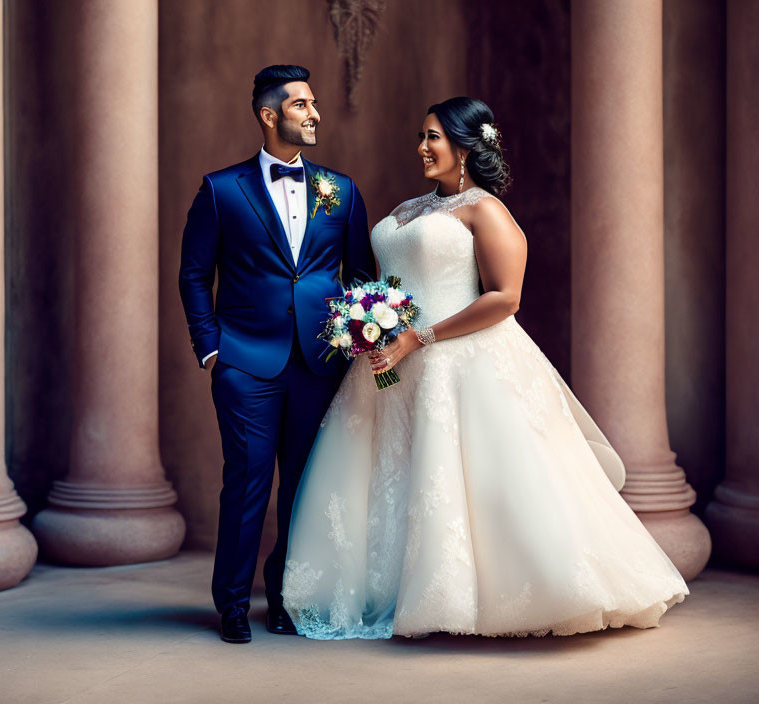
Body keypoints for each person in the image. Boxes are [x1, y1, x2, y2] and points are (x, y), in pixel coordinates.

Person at [281, 97, 688, 639]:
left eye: (434, 138)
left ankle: (471, 598)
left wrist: (418, 338)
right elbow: (391, 281)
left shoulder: (486, 210)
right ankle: (390, 592)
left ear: (465, 148)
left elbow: (505, 297)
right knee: (389, 478)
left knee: (470, 479)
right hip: (390, 366)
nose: (422, 147)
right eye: (422, 136)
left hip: (455, 360)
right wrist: (369, 326)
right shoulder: (413, 208)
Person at [179, 65, 376, 644]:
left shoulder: (341, 189)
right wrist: (211, 350)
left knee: (304, 485)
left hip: (319, 362)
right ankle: (233, 604)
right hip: (244, 362)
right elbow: (194, 274)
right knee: (247, 480)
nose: (315, 114)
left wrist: (353, 345)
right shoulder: (221, 189)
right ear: (270, 115)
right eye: (301, 105)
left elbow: (360, 275)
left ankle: (286, 597)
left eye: (314, 104)